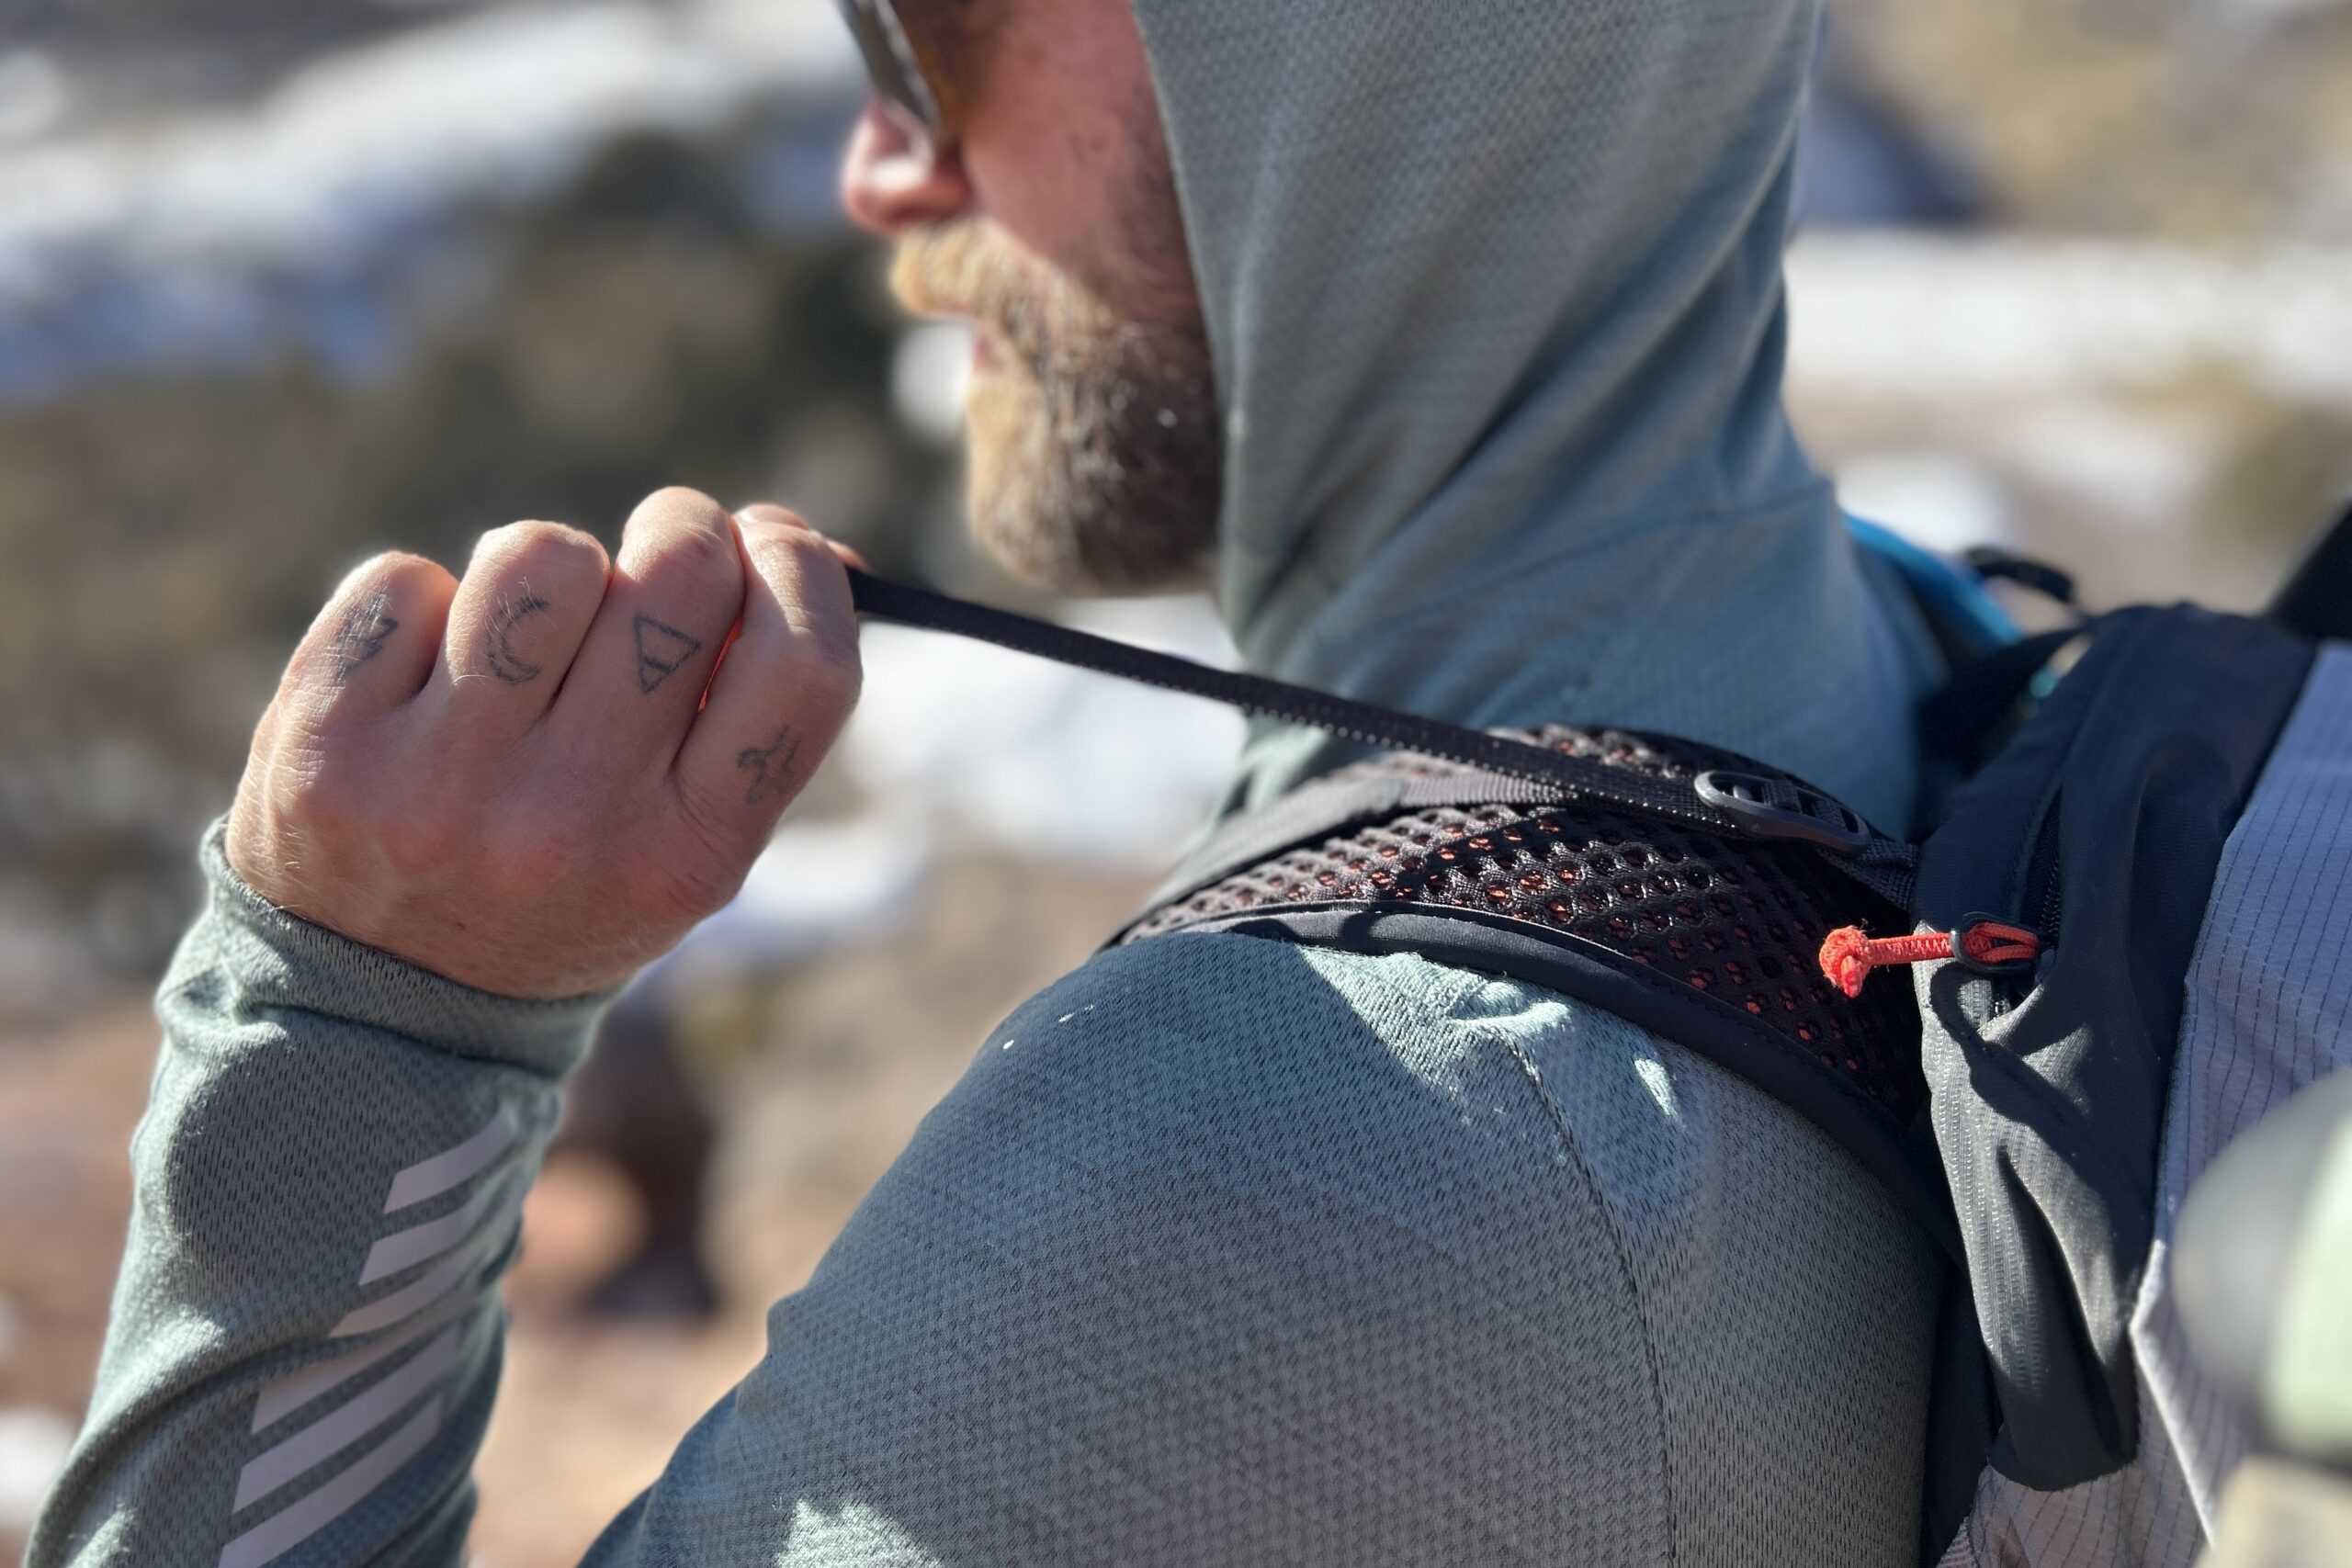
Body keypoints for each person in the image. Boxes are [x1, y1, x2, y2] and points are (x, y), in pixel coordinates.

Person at [30, 0, 1955, 1562]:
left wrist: (363, 1012)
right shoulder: (1930, 651)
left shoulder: (1277, 1177)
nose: (881, 164)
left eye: (923, 33)